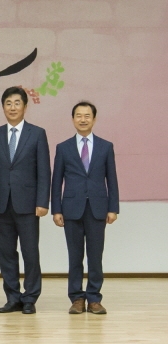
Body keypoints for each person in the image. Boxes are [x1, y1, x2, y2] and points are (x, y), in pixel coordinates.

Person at [0, 86, 51, 315]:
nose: (12, 107)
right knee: (6, 253)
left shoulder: (37, 133)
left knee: (30, 253)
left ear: (25, 106)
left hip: (29, 204)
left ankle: (30, 297)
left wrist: (42, 202)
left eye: (17, 103)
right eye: (8, 103)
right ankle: (12, 297)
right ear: (3, 107)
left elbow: (44, 171)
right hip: (1, 203)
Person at [51, 101, 119, 315]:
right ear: (73, 119)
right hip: (71, 209)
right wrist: (56, 210)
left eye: (87, 116)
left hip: (98, 208)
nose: (83, 119)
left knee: (95, 256)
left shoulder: (106, 146)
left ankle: (94, 298)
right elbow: (56, 181)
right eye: (79, 116)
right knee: (75, 256)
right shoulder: (63, 147)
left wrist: (113, 208)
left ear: (94, 119)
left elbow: (112, 179)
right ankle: (77, 298)